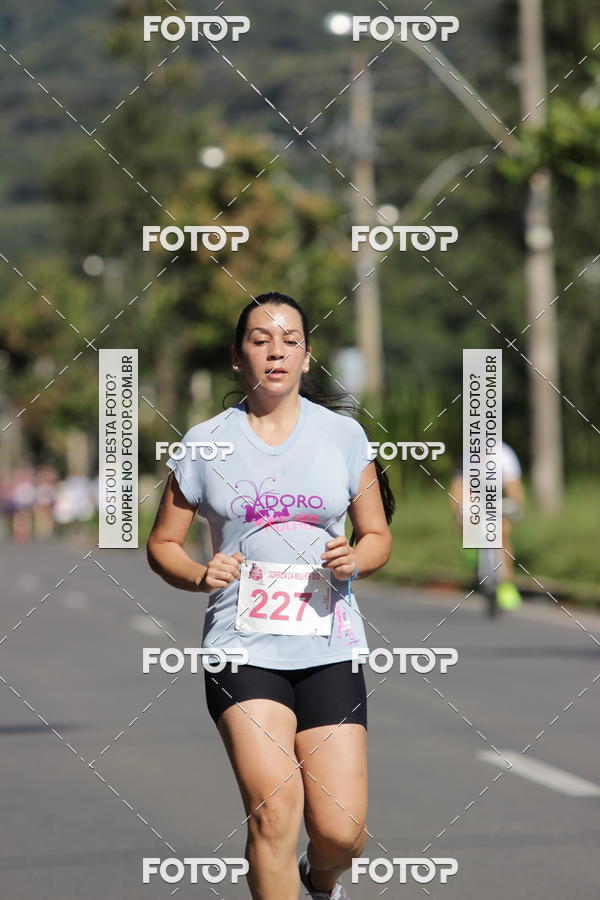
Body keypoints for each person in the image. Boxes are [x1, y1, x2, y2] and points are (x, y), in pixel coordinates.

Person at [147, 292, 395, 899]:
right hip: (242, 647)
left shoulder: (342, 435)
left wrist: (354, 557)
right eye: (260, 339)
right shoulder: (205, 443)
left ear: (307, 356)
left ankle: (322, 877)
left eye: (289, 340)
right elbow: (162, 546)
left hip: (328, 643)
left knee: (341, 829)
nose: (275, 351)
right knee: (275, 812)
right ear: (238, 357)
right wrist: (199, 573)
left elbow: (377, 535)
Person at [450, 441, 525, 610]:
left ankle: (507, 584)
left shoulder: (504, 454)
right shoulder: (469, 456)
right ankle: (471, 547)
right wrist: (460, 511)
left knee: (503, 531)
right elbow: (458, 487)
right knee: (464, 515)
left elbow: (514, 488)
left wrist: (515, 507)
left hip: (497, 499)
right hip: (475, 498)